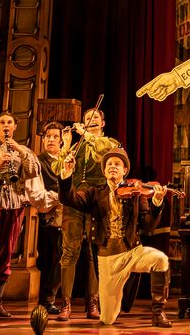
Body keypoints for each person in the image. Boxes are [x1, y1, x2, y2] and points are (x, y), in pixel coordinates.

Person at [59, 149, 172, 327]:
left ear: (125, 171)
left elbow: (148, 226)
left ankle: (158, 313)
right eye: (109, 164)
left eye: (117, 164)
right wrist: (66, 174)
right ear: (104, 171)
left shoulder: (136, 193)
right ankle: (111, 309)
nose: (113, 166)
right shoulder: (94, 193)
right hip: (107, 258)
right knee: (108, 318)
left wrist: (157, 203)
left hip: (133, 251)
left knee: (161, 260)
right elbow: (69, 198)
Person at [0, 112, 52, 319]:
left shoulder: (23, 150)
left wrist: (20, 150)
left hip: (15, 206)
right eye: (2, 123)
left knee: (6, 255)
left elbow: (33, 171)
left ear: (15, 127)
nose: (6, 126)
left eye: (9, 123)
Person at [57, 107, 120, 321]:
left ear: (102, 123)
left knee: (94, 253)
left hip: (96, 202)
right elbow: (60, 168)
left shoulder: (109, 143)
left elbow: (103, 152)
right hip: (75, 202)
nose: (91, 121)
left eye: (94, 119)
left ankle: (93, 301)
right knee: (69, 251)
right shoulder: (77, 145)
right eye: (86, 119)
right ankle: (65, 302)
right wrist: (66, 146)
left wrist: (86, 135)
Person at [35, 121, 67, 314]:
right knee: (48, 257)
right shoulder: (38, 161)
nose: (51, 140)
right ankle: (45, 299)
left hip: (66, 215)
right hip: (47, 214)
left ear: (62, 141)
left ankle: (50, 298)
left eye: (56, 137)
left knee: (61, 257)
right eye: (48, 137)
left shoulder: (65, 160)